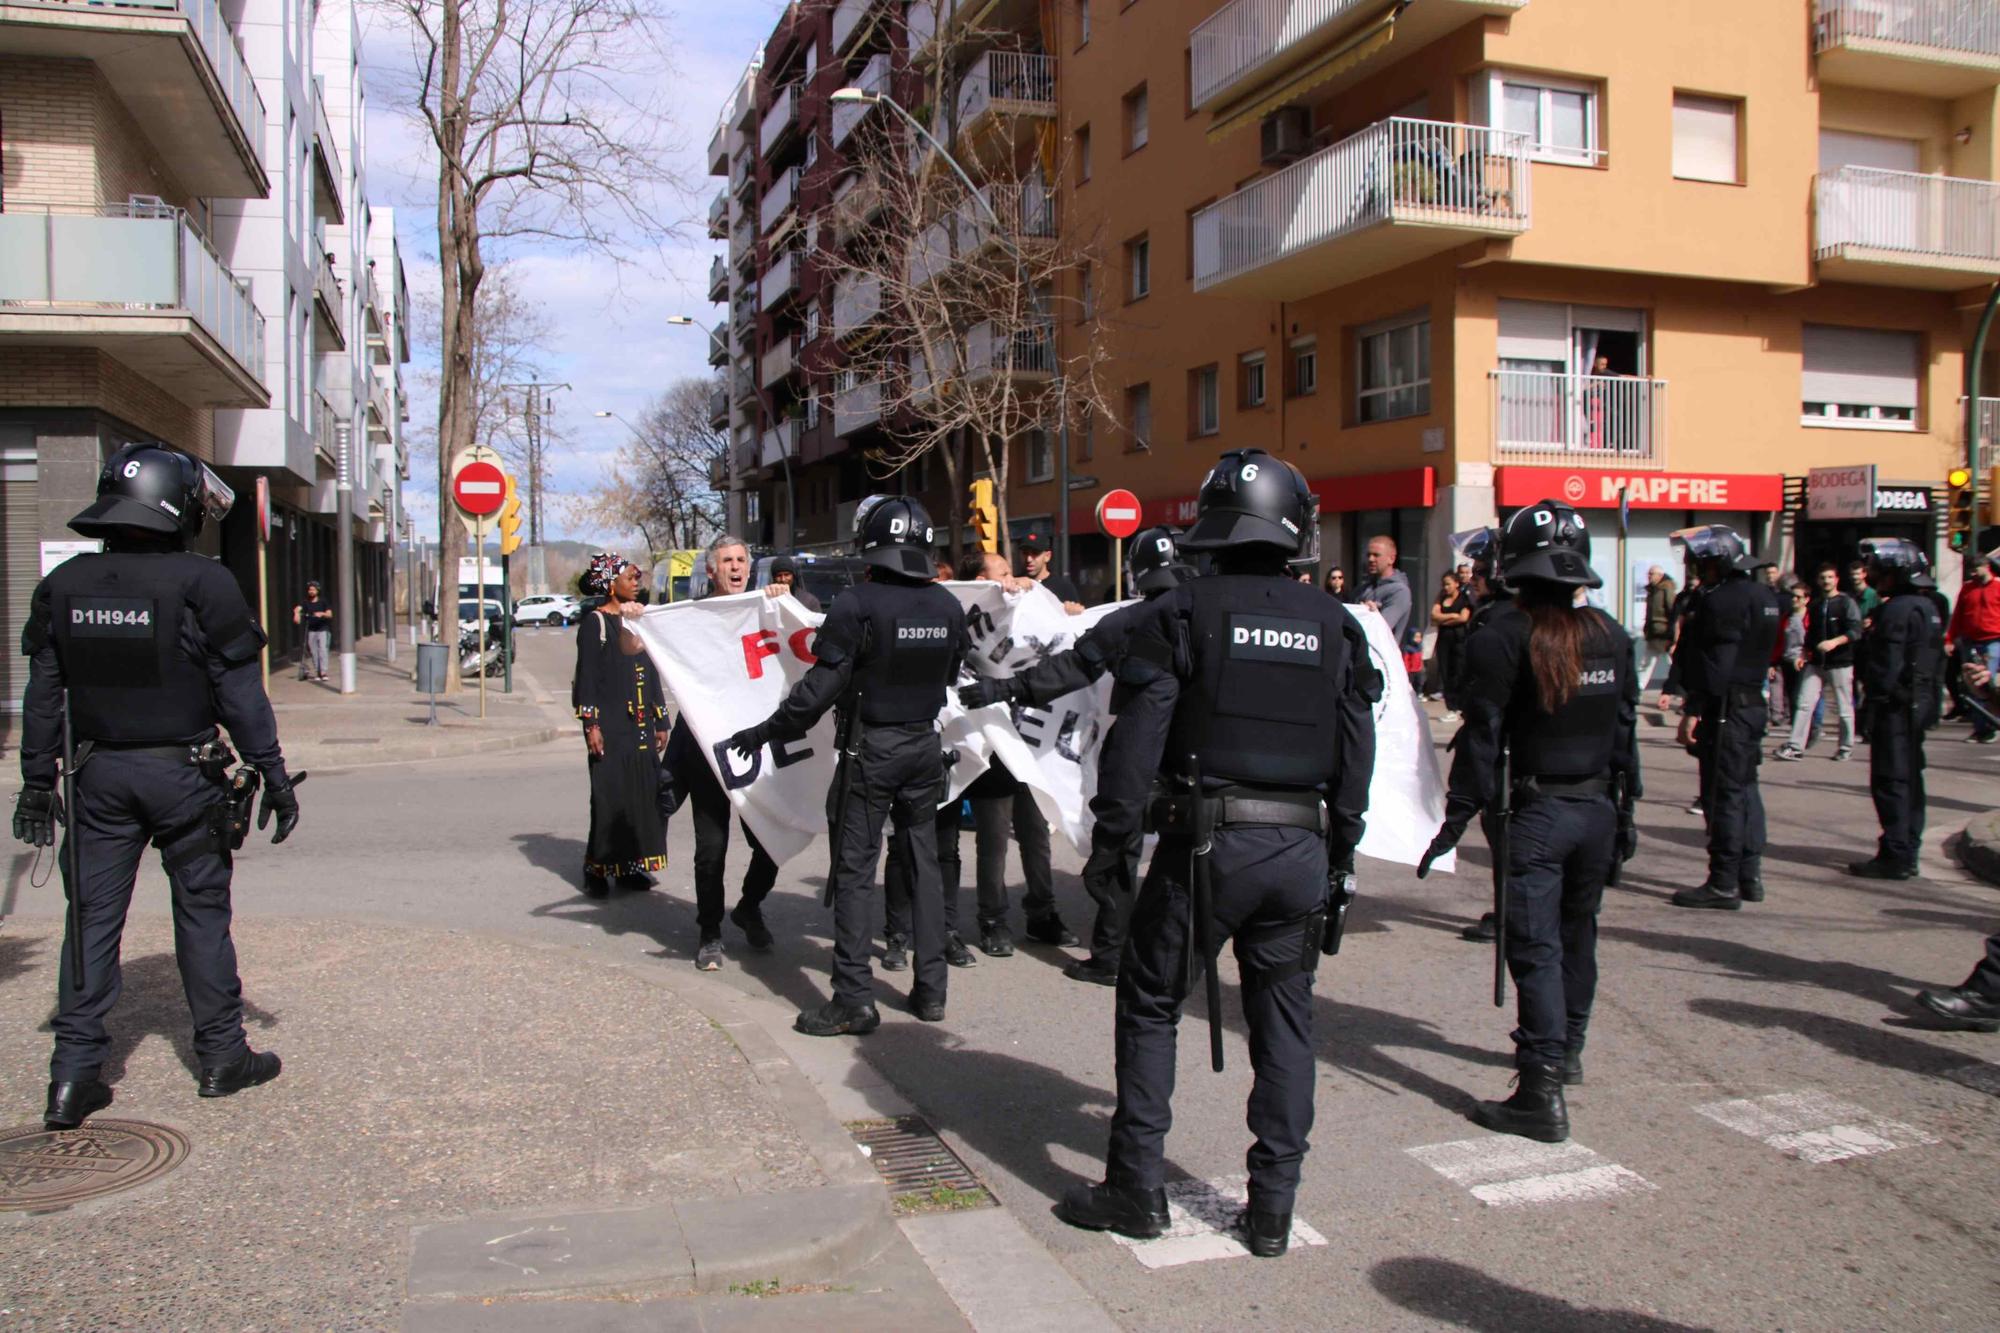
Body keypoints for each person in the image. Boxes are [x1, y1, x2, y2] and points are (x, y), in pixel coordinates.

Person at [1055, 449, 1377, 1258]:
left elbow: (1137, 742)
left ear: (1214, 525)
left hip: (1205, 842)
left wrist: (1113, 846)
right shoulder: (1337, 624)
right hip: (1300, 842)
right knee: (1286, 1021)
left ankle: (1136, 1186)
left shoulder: (1184, 612)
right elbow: (1357, 745)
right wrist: (1341, 845)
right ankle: (1272, 1206)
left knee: (1153, 1002)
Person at [12, 443, 299, 1130]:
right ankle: (223, 1056)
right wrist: (274, 773)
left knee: (89, 922)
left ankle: (74, 1076)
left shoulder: (67, 584)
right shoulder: (205, 583)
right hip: (185, 772)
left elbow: (43, 693)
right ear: (180, 507)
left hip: (98, 774)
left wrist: (34, 780)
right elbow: (241, 695)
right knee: (201, 912)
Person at [1418, 500, 1638, 1140]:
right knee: (1579, 932)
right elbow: (1625, 736)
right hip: (1595, 808)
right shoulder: (1611, 634)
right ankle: (1566, 1049)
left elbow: (1482, 739)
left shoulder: (1503, 635)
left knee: (1536, 946)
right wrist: (1626, 815)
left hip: (1537, 812)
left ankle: (1539, 1087)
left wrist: (1455, 820)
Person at [727, 496, 967, 1034]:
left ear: (871, 544)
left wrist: (765, 732)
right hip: (924, 748)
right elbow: (953, 671)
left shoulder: (857, 604)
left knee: (856, 874)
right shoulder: (947, 606)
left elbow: (817, 690)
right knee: (923, 865)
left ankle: (854, 999)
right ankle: (931, 991)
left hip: (871, 751)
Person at [957, 526, 1197, 985]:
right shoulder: (1215, 615)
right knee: (1187, 860)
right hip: (1203, 766)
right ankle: (1172, 955)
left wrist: (1003, 689)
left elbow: (1068, 670)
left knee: (1119, 855)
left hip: (1140, 763)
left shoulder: (1131, 621)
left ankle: (1111, 956)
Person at [664, 535, 789, 970]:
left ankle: (749, 906)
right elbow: (637, 645)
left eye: (741, 559)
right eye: (726, 561)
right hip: (708, 753)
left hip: (761, 750)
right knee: (710, 851)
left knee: (770, 843)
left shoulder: (767, 605)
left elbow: (805, 634)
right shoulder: (691, 616)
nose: (735, 567)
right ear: (711, 571)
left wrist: (781, 599)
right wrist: (634, 619)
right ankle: (710, 932)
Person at [957, 550, 1078, 956]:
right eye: (1001, 572)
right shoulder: (963, 618)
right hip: (993, 743)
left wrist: (1067, 615)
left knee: (1036, 835)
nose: (1011, 578)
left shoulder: (1028, 604)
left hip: (1031, 741)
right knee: (993, 840)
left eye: (1011, 571)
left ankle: (1042, 914)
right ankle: (992, 921)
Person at [1668, 525, 1781, 911]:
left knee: (1723, 794)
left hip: (1726, 707)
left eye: (1701, 562)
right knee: (1746, 788)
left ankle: (1723, 882)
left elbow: (1717, 661)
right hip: (1751, 703)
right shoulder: (1762, 594)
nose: (1696, 569)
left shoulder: (1721, 601)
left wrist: (1695, 708)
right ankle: (1749, 875)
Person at [1847, 538, 1946, 881]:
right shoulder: (1928, 607)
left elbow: (1886, 666)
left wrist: (1872, 703)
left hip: (1895, 707)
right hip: (1917, 705)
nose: (1874, 574)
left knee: (1891, 780)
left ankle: (1896, 852)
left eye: (1880, 570)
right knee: (1910, 780)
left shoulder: (1897, 610)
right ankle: (1908, 847)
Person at [572, 553, 668, 897]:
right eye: (630, 576)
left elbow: (653, 671)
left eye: (637, 576)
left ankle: (630, 868)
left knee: (639, 797)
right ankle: (596, 869)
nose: (636, 581)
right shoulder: (595, 623)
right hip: (610, 726)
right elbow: (586, 678)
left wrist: (661, 719)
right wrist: (591, 725)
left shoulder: (640, 621)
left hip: (641, 724)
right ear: (611, 584)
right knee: (609, 798)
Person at [1774, 564, 1859, 762]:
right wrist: (1803, 654)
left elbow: (1855, 631)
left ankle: (1845, 747)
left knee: (1844, 707)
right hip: (1815, 663)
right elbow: (1810, 635)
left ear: (1837, 579)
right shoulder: (1817, 605)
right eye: (1823, 577)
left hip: (1840, 663)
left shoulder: (1846, 603)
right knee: (1804, 703)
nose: (1826, 581)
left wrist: (1835, 642)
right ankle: (1795, 746)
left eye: (1830, 577)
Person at [1946, 550, 2000, 743]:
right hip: (1970, 641)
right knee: (1972, 686)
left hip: (1994, 640)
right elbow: (1958, 615)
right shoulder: (1967, 589)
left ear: (1986, 567)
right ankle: (1980, 728)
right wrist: (1950, 639)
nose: (1972, 574)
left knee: (1986, 684)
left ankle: (1991, 726)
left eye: (1975, 569)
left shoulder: (1998, 586)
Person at [1351, 535, 1412, 646]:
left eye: (1376, 555)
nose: (1371, 559)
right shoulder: (1362, 589)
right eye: (1368, 555)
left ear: (1391, 559)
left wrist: (1371, 613)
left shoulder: (1399, 591)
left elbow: (1382, 628)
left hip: (1382, 658)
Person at [1428, 571, 1473, 709]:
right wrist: (1452, 615)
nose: (1445, 587)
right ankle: (1451, 705)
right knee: (1445, 670)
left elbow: (1463, 618)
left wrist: (1443, 620)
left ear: (1456, 584)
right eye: (1444, 584)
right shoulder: (1441, 598)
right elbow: (1434, 616)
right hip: (1443, 641)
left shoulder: (1463, 599)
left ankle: (1459, 705)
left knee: (1458, 671)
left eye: (1448, 584)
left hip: (1459, 640)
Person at [1774, 583, 1809, 737]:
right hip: (1787, 661)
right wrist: (1773, 662)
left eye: (1798, 597)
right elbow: (1778, 640)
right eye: (1792, 596)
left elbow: (1812, 639)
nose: (1794, 599)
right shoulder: (1786, 617)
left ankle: (1807, 732)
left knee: (1800, 698)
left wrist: (1804, 656)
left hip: (1805, 662)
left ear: (1806, 599)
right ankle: (1797, 732)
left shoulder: (1810, 616)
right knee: (1791, 698)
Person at [1637, 565, 1676, 691]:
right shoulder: (1652, 590)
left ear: (1659, 575)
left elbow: (1673, 611)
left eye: (1651, 574)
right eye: (1648, 574)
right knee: (1646, 663)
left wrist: (1673, 633)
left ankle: (1682, 690)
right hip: (1654, 632)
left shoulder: (1667, 588)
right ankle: (1638, 688)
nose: (1649, 576)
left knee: (1673, 662)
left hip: (1664, 632)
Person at [1020, 536, 1084, 610]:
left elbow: (1078, 617)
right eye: (1025, 553)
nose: (1029, 559)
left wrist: (1073, 610)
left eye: (1035, 553)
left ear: (1047, 556)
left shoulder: (1063, 587)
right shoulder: (1015, 585)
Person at [293, 579, 332, 682]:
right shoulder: (305, 602)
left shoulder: (323, 601)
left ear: (317, 591)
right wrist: (296, 614)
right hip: (311, 630)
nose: (311, 591)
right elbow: (298, 608)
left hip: (322, 629)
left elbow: (329, 614)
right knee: (314, 652)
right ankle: (317, 672)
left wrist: (322, 614)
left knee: (322, 650)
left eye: (313, 589)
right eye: (310, 589)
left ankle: (323, 672)